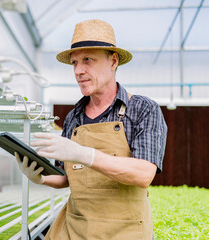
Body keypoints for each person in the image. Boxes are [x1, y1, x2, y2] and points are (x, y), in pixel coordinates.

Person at [15, 19, 167, 239]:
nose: (78, 70)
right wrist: (39, 178)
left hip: (125, 231)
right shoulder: (74, 117)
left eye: (88, 60)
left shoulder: (143, 109)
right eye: (75, 62)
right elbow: (65, 177)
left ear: (113, 61)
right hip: (75, 229)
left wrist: (85, 154)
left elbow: (144, 173)